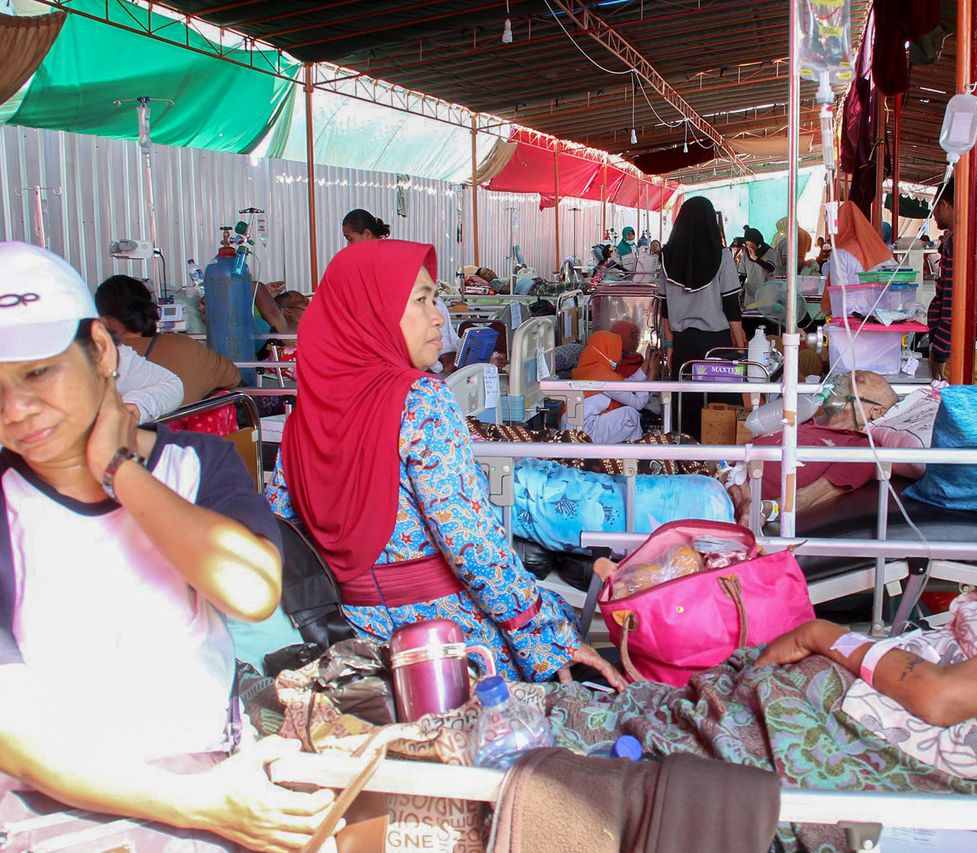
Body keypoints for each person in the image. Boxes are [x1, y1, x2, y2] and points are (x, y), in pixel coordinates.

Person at [462, 439, 977, 853]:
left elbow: (943, 698)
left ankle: (506, 757)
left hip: (907, 738)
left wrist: (828, 633)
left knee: (679, 730)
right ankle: (529, 729)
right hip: (875, 702)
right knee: (677, 705)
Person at [0, 243, 333, 851]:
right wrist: (196, 806)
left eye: (38, 372)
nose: (16, 409)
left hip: (213, 778)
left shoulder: (193, 466)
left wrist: (120, 471)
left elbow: (253, 590)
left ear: (101, 350)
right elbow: (18, 743)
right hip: (63, 812)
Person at [267, 239, 623, 689]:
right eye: (420, 300)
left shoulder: (303, 420)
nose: (438, 316)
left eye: (435, 299)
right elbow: (472, 547)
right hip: (447, 646)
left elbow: (281, 529)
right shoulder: (420, 402)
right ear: (371, 312)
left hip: (359, 645)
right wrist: (546, 635)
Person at [733, 372, 940, 522]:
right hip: (718, 478)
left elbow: (808, 498)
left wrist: (758, 508)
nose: (841, 380)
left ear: (877, 411)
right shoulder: (804, 422)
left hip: (734, 507)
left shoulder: (860, 447)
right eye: (846, 375)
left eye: (857, 380)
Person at [658, 197, 747, 436]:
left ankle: (687, 454)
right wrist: (739, 342)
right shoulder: (722, 256)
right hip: (716, 345)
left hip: (683, 343)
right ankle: (722, 455)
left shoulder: (667, 258)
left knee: (686, 403)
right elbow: (731, 305)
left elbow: (665, 309)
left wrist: (669, 345)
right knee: (722, 402)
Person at [95, 275, 241, 406]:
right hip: (187, 435)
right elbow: (233, 377)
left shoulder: (97, 359)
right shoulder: (185, 347)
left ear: (103, 318)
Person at [927, 180, 977, 381]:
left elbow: (955, 303)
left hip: (960, 347)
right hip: (974, 343)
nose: (934, 214)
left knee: (955, 405)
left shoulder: (962, 242)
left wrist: (940, 350)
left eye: (935, 207)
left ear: (945, 205)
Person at [568, 331, 653, 444]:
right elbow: (638, 403)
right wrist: (653, 372)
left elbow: (626, 384)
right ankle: (637, 457)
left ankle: (632, 456)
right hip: (585, 432)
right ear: (608, 350)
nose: (619, 357)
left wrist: (646, 363)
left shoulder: (589, 370)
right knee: (630, 415)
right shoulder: (604, 377)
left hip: (574, 429)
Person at [738, 226, 778, 296]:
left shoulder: (768, 251)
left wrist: (756, 259)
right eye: (747, 244)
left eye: (752, 244)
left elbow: (771, 268)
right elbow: (743, 274)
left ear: (757, 242)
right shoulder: (746, 254)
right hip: (751, 292)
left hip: (766, 291)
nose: (749, 247)